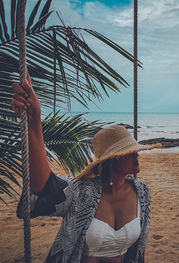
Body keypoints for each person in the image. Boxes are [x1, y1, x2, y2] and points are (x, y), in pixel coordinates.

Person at [11, 76, 161, 263]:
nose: (136, 154)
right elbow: (43, 186)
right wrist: (34, 121)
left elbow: (137, 253)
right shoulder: (81, 191)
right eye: (129, 152)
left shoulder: (142, 194)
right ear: (112, 159)